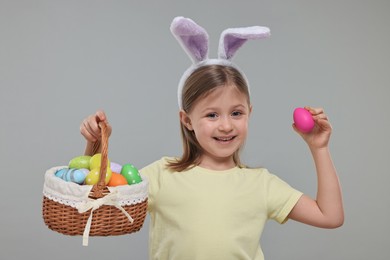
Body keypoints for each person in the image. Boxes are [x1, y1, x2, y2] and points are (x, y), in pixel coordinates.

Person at [80, 17, 344, 260]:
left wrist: (319, 147)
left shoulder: (262, 184)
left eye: (236, 112)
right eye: (212, 115)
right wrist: (94, 147)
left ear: (249, 113)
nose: (226, 125)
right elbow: (94, 209)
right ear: (187, 120)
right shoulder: (161, 175)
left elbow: (330, 216)